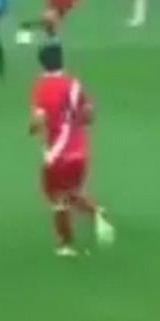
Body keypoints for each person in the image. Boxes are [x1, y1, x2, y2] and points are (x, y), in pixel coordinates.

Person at [30, 43, 114, 257]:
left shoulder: (42, 87)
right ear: (62, 61)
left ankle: (65, 245)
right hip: (80, 151)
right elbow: (89, 115)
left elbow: (39, 120)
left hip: (57, 154)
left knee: (57, 199)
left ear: (41, 64)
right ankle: (96, 212)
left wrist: (33, 129)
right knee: (71, 192)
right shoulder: (74, 84)